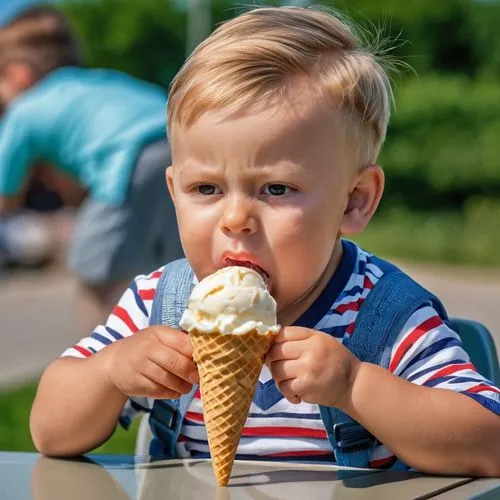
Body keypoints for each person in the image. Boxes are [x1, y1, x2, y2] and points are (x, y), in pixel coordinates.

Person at [30, 6, 500, 476]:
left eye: (276, 189)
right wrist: (110, 373)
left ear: (354, 201)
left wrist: (355, 384)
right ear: (173, 194)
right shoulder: (159, 303)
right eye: (206, 189)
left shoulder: (386, 315)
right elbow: (50, 432)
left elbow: (488, 445)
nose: (236, 219)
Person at [0, 6, 183, 330]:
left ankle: (100, 367)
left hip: (129, 162)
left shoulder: (24, 109)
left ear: (18, 74)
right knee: (175, 277)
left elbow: (5, 194)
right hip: (183, 153)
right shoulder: (99, 81)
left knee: (93, 275)